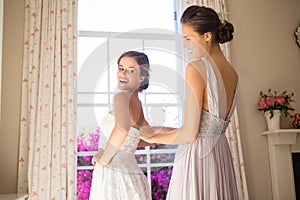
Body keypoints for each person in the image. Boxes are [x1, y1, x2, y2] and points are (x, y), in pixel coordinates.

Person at [140, 5, 239, 200]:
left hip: (197, 157)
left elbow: (189, 133)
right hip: (219, 153)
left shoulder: (197, 68)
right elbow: (208, 125)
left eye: (187, 38)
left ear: (207, 36)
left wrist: (153, 138)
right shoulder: (233, 73)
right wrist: (159, 130)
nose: (185, 45)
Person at [89, 51, 152, 200]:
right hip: (131, 174)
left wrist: (104, 159)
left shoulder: (121, 97)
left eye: (131, 70)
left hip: (112, 172)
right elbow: (151, 137)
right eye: (121, 67)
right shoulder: (137, 103)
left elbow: (122, 129)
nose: (122, 73)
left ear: (141, 77)